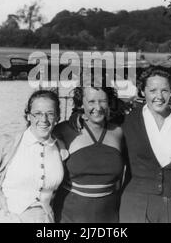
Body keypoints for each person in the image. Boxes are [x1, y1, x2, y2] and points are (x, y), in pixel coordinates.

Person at [0, 89, 66, 223]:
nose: (43, 119)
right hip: (10, 217)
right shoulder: (8, 145)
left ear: (57, 117)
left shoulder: (60, 148)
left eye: (50, 114)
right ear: (28, 116)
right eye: (37, 114)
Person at [120, 67, 171, 223]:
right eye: (153, 90)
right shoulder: (128, 122)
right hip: (134, 203)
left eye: (165, 90)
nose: (159, 96)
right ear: (143, 91)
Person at [52, 85, 124, 223]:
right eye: (91, 101)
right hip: (71, 213)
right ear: (81, 103)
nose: (98, 107)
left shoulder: (118, 132)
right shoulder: (64, 130)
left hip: (109, 214)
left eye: (102, 101)